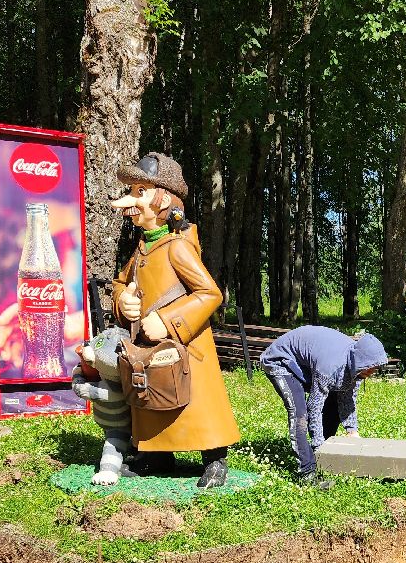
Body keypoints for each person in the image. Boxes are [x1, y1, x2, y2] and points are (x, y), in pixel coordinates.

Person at [110, 151, 241, 488]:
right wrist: (122, 299)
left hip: (187, 343)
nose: (131, 199)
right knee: (154, 394)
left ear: (163, 199)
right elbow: (122, 283)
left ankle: (214, 459)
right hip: (151, 346)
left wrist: (168, 321)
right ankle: (155, 454)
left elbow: (210, 293)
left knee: (196, 398)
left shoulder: (177, 247)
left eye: (141, 192)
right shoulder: (143, 248)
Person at [260, 326, 389, 488]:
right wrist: (318, 444)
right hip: (282, 361)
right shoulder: (330, 367)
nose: (373, 371)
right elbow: (314, 407)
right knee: (299, 414)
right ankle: (307, 472)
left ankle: (324, 457)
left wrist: (352, 431)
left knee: (335, 402)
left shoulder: (357, 365)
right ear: (361, 360)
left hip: (305, 364)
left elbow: (347, 399)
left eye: (376, 367)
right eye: (372, 367)